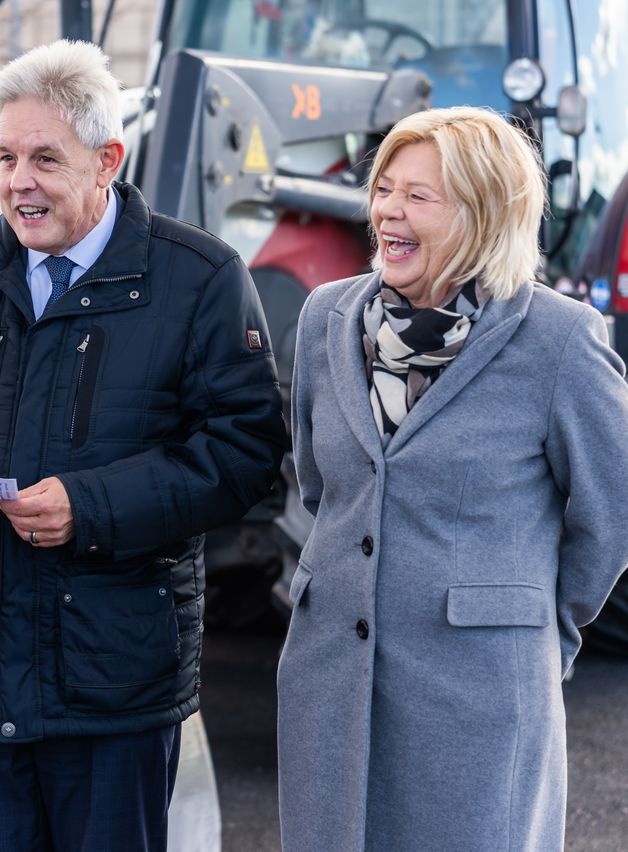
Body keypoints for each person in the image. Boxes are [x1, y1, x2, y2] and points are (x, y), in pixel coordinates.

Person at [0, 39, 286, 852]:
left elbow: (245, 454)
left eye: (45, 158)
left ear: (106, 160)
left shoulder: (199, 278)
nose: (19, 181)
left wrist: (88, 507)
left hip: (113, 683)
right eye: (7, 157)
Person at [277, 106, 628, 852]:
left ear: (483, 214)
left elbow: (615, 511)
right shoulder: (323, 318)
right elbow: (325, 486)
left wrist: (536, 627)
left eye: (418, 197)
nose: (388, 212)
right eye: (385, 189)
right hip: (329, 679)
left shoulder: (560, 341)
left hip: (481, 688)